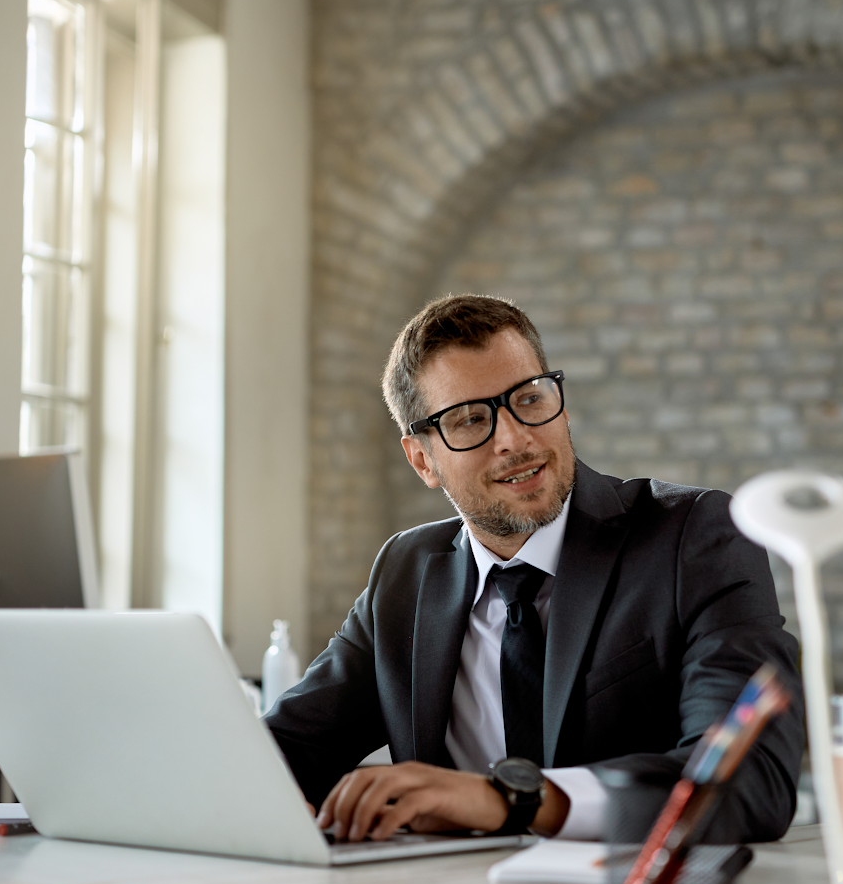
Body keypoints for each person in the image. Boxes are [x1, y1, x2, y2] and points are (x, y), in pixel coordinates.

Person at [264, 294, 804, 844]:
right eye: (471, 419)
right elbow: (280, 752)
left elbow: (752, 777)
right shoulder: (405, 574)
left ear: (561, 405)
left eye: (529, 398)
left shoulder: (695, 537)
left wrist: (507, 800)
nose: (516, 438)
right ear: (423, 459)